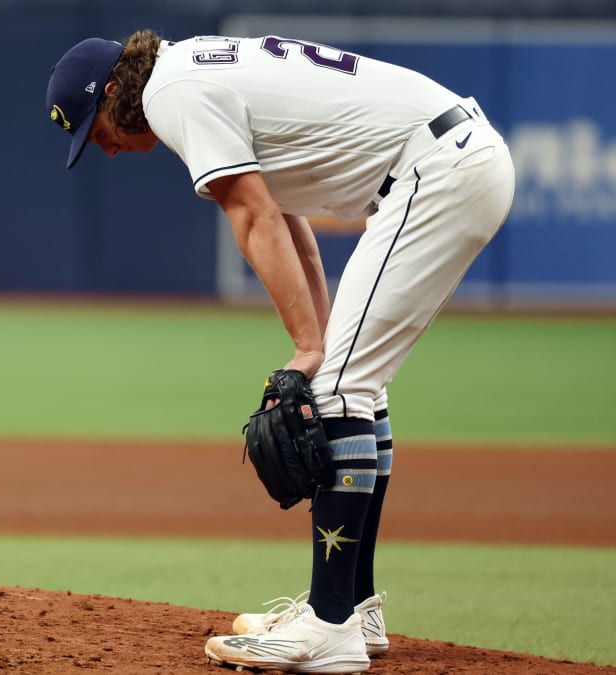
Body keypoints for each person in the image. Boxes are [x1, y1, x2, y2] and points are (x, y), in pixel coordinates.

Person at [45, 31, 515, 674]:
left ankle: (329, 629)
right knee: (350, 385)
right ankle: (353, 608)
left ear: (112, 93)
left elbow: (252, 217)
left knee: (340, 391)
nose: (102, 147)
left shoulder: (171, 92)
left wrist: (307, 350)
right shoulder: (191, 72)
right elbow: (289, 226)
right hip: (453, 158)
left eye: (93, 128)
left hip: (437, 170)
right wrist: (317, 346)